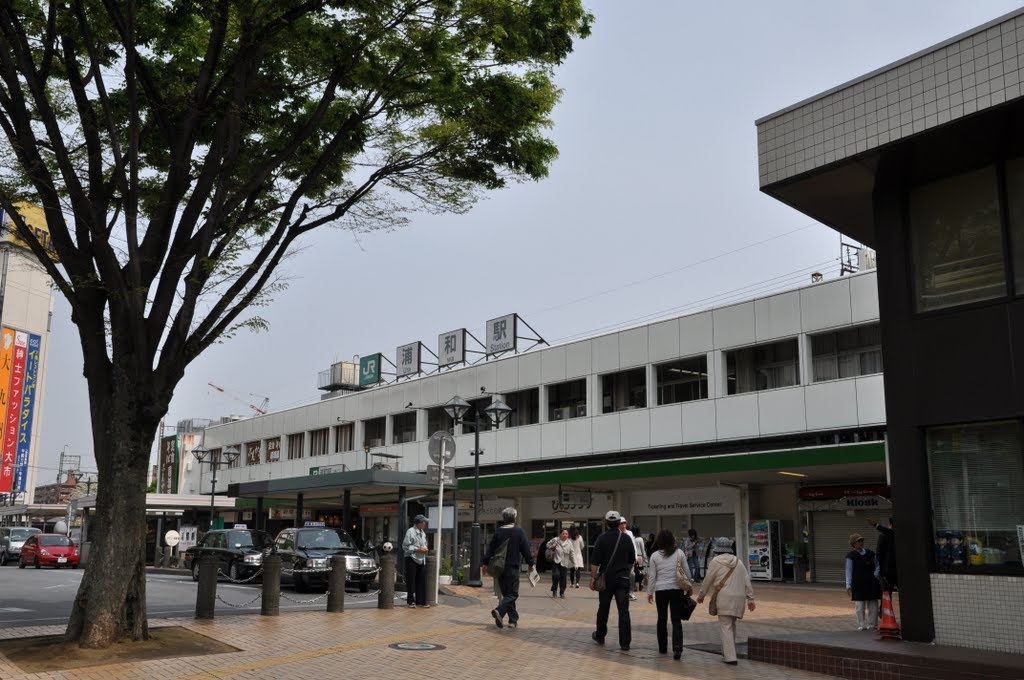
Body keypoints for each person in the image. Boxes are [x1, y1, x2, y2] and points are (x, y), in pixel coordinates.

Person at [697, 537, 755, 666]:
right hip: (739, 599)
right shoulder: (738, 562)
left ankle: (730, 657)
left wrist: (701, 595)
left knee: (726, 626)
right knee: (731, 626)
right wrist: (751, 598)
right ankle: (727, 652)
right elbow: (747, 580)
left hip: (724, 598)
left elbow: (707, 580)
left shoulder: (715, 561)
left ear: (717, 550)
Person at [482, 507, 536, 629]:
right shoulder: (518, 531)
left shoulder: (498, 531)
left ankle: (512, 620)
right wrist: (531, 563)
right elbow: (525, 549)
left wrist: (485, 563)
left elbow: (490, 549)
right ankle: (499, 611)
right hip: (513, 567)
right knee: (513, 594)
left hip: (499, 567)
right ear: (514, 518)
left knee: (507, 593)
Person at [591, 510, 637, 651]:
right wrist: (624, 572)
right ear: (619, 523)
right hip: (623, 579)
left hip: (606, 579)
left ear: (606, 523)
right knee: (623, 610)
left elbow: (594, 563)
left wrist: (594, 578)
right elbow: (631, 560)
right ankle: (625, 642)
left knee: (603, 608)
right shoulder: (626, 538)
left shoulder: (601, 538)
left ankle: (600, 635)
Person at [646, 529, 691, 660]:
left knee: (661, 619)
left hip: (660, 591)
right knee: (676, 620)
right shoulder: (679, 553)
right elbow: (687, 571)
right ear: (672, 540)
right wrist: (689, 587)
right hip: (676, 590)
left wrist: (649, 592)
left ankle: (663, 647)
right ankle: (677, 648)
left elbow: (652, 577)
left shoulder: (654, 556)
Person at [845, 533, 881, 630]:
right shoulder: (851, 556)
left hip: (872, 583)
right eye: (858, 541)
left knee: (873, 604)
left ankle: (872, 624)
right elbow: (848, 571)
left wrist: (876, 574)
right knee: (859, 606)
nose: (861, 542)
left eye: (862, 540)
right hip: (858, 584)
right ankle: (861, 625)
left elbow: (877, 564)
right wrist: (848, 585)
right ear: (853, 543)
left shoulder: (870, 553)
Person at [402, 514, 430, 609]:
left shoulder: (423, 532)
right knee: (411, 581)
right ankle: (410, 602)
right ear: (418, 523)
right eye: (423, 522)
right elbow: (405, 546)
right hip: (411, 558)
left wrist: (425, 549)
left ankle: (421, 601)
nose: (425, 523)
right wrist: (418, 549)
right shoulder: (410, 531)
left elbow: (424, 544)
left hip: (421, 559)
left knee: (421, 580)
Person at [868, 517, 897, 591]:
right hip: (887, 571)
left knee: (886, 594)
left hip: (889, 570)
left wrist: (876, 525)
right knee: (886, 593)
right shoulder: (885, 535)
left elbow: (878, 553)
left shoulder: (887, 535)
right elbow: (879, 554)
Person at [548, 528, 573, 598]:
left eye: (566, 534)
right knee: (556, 576)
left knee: (563, 578)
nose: (565, 535)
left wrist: (575, 563)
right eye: (563, 533)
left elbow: (572, 553)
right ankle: (554, 590)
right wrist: (552, 546)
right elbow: (547, 545)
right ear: (560, 534)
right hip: (556, 561)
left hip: (564, 563)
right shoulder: (556, 540)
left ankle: (562, 592)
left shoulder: (569, 542)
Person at [618, 518, 639, 600]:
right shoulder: (617, 533)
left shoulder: (630, 533)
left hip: (630, 558)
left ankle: (630, 592)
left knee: (632, 575)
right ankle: (622, 592)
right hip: (620, 559)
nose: (623, 525)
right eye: (621, 523)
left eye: (624, 523)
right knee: (621, 576)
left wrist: (636, 556)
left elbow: (634, 545)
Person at [631, 525, 646, 592]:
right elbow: (643, 550)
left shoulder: (631, 538)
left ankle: (634, 586)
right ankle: (641, 584)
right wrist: (645, 558)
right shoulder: (640, 539)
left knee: (634, 571)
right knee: (640, 571)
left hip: (633, 556)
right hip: (639, 556)